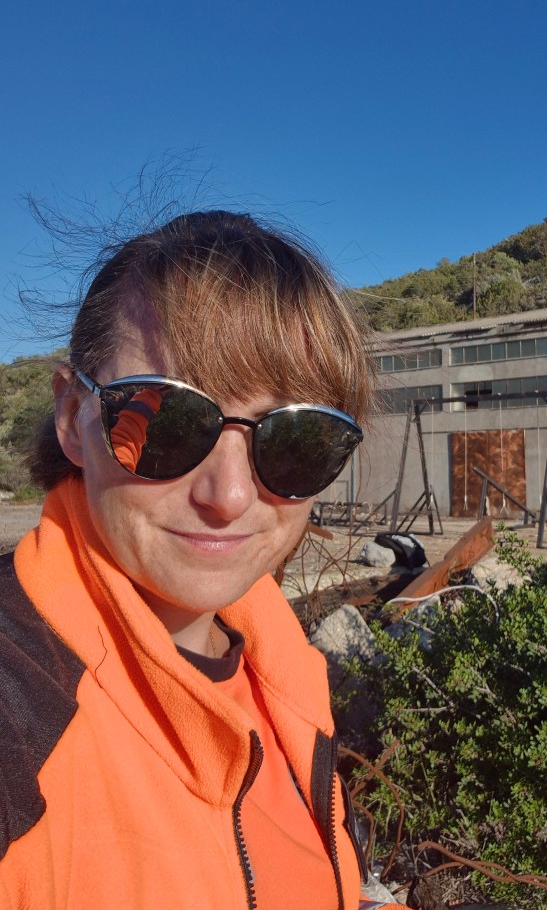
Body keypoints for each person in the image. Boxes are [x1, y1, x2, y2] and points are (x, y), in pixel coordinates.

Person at [0, 210, 399, 910]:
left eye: (295, 436)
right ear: (72, 417)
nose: (231, 495)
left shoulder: (282, 665)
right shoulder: (23, 707)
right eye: (167, 419)